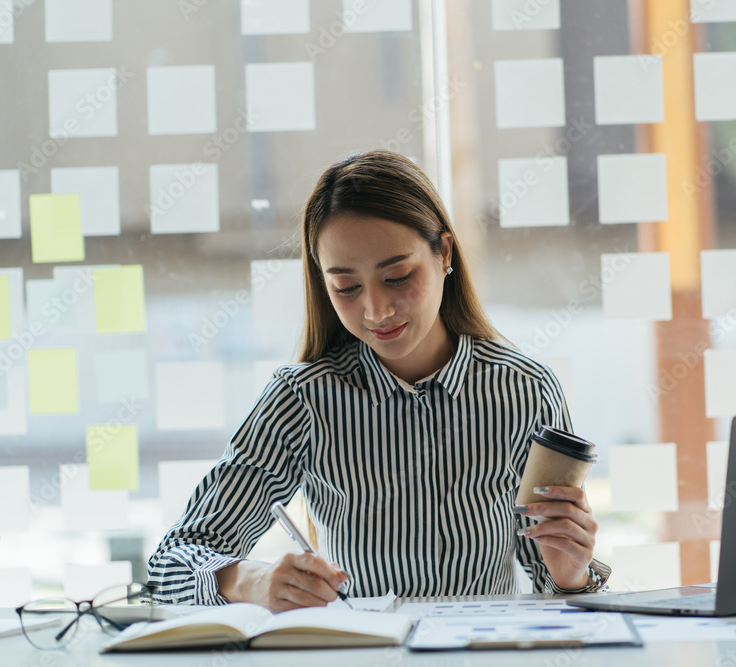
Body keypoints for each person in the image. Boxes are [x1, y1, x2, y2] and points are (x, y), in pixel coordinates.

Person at [147, 150, 611, 610]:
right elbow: (171, 564)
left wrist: (571, 575)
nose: (376, 311)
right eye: (346, 287)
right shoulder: (302, 400)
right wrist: (251, 580)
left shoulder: (524, 392)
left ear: (444, 252)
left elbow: (555, 587)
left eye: (397, 276)